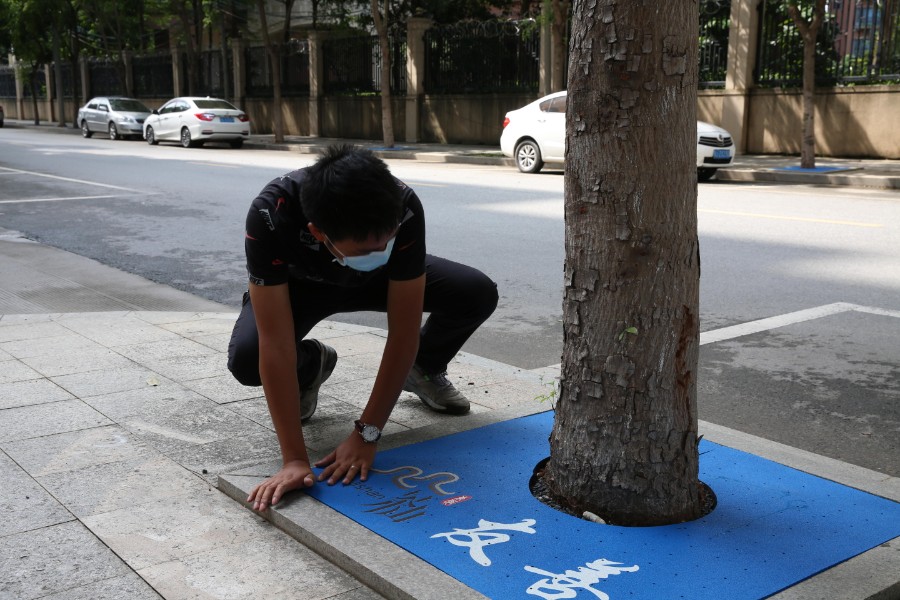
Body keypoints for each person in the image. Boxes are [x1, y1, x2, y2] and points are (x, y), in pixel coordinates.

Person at [227, 144, 498, 512]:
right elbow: (274, 345)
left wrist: (368, 432)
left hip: (381, 280)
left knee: (476, 292)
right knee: (247, 359)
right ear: (318, 232)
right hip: (299, 288)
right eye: (365, 249)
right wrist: (294, 459)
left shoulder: (401, 204)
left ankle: (425, 368)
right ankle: (311, 366)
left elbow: (403, 333)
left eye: (385, 241)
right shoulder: (271, 213)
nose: (380, 247)